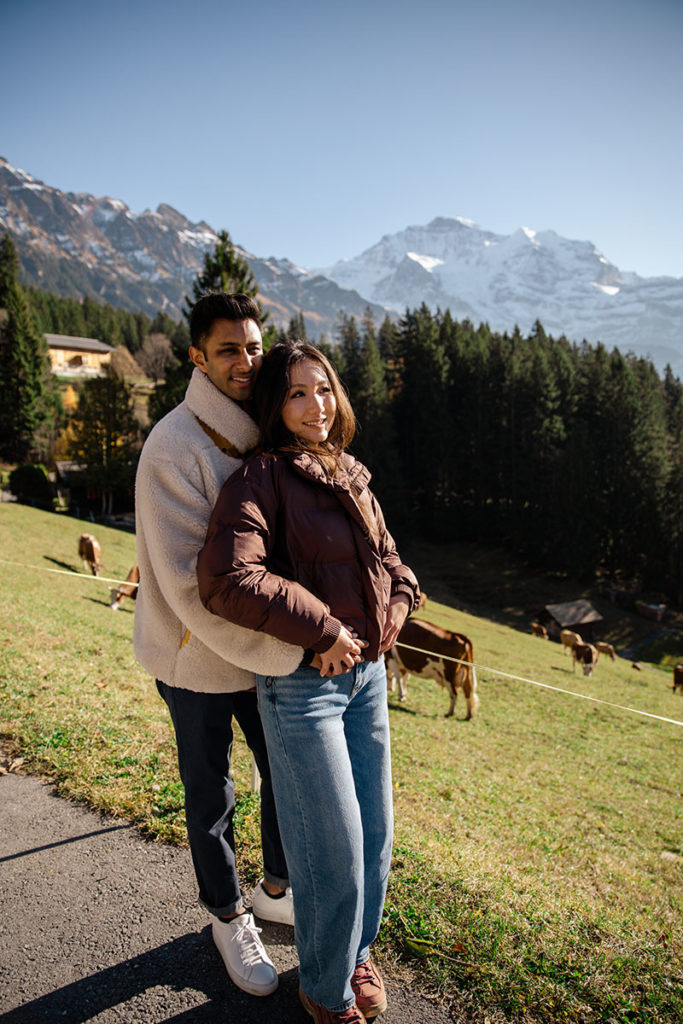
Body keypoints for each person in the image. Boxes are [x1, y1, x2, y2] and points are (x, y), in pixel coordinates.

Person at [197, 341, 420, 1023]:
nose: (315, 404)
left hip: (368, 681)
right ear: (275, 405)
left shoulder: (351, 473)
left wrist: (389, 621)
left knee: (376, 839)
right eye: (296, 392)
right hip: (303, 690)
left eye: (322, 388)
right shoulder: (258, 478)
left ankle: (354, 953)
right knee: (333, 851)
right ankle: (323, 994)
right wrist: (322, 630)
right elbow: (228, 579)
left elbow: (393, 566)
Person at [133, 293, 303, 998]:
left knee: (286, 776)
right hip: (192, 654)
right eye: (228, 349)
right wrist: (288, 649)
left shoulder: (262, 428)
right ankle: (227, 915)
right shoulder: (173, 446)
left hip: (259, 650)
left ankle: (272, 887)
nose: (245, 361)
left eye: (254, 347)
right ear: (197, 356)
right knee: (210, 795)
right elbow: (183, 585)